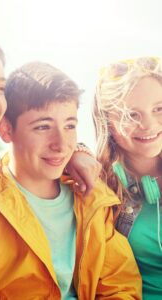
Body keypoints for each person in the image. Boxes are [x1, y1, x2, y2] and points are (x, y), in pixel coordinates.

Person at [0, 61, 141, 300]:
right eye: (43, 127)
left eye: (69, 125)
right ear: (6, 130)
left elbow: (122, 288)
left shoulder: (92, 198)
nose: (61, 144)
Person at [93, 56, 162, 299]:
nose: (149, 124)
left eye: (159, 108)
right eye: (132, 115)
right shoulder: (97, 187)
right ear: (107, 122)